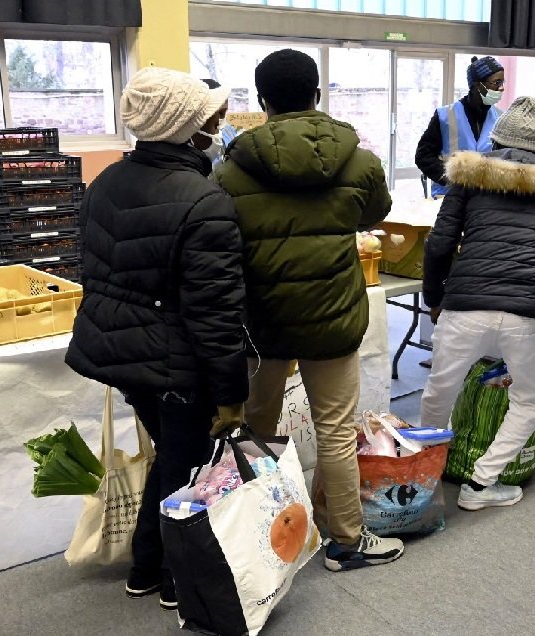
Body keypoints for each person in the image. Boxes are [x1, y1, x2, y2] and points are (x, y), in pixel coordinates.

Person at [65, 67, 247, 610]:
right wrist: (231, 394)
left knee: (172, 455)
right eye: (212, 117)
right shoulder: (203, 200)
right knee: (187, 470)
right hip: (176, 359)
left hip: (118, 351)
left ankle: (145, 566)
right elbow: (215, 313)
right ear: (190, 129)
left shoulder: (106, 182)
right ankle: (175, 576)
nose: (220, 125)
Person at [215, 49, 402, 572]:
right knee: (336, 429)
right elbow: (374, 211)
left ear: (262, 101)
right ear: (317, 95)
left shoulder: (231, 170)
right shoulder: (360, 160)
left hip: (265, 316)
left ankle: (260, 537)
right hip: (334, 312)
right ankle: (345, 541)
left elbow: (223, 235)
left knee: (256, 428)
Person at [419, 97, 535, 510]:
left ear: (495, 137)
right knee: (530, 398)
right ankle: (481, 485)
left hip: (465, 303)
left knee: (439, 390)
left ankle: (421, 479)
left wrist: (434, 297)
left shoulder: (470, 178)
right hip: (526, 312)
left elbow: (439, 245)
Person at [415, 55, 506, 197]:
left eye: (503, 82)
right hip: (448, 196)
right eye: (496, 82)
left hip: (486, 200)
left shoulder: (502, 119)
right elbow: (423, 156)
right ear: (478, 85)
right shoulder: (444, 115)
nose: (502, 88)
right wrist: (449, 176)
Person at [198, 79, 237, 167]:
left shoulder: (229, 131)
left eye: (225, 111)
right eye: (219, 112)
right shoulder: (187, 138)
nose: (222, 118)